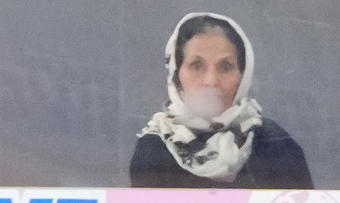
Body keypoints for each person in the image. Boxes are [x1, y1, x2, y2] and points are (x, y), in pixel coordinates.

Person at [130, 12, 312, 190]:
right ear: (176, 75)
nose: (211, 81)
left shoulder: (275, 144)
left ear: (243, 76)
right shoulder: (153, 149)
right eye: (196, 66)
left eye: (225, 67)